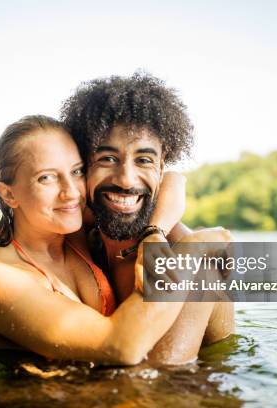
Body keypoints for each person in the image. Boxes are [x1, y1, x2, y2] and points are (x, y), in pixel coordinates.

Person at [0, 115, 230, 365]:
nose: (70, 192)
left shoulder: (73, 229)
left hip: (100, 388)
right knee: (199, 266)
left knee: (207, 276)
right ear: (9, 195)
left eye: (77, 172)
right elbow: (121, 346)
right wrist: (193, 251)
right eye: (46, 178)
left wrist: (155, 232)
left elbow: (171, 180)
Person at [61, 72, 235, 364]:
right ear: (83, 166)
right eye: (107, 159)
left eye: (143, 160)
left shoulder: (190, 258)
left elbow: (158, 386)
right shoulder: (85, 232)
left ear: (159, 167)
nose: (126, 179)